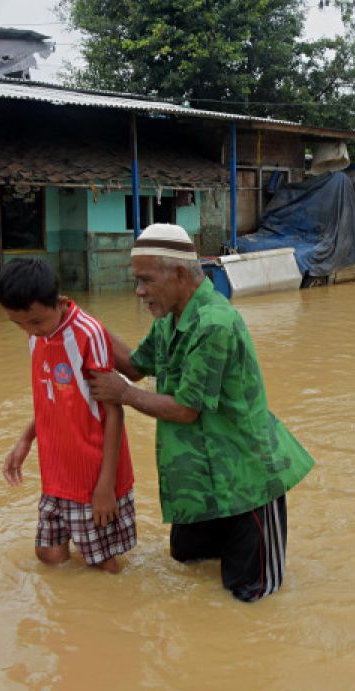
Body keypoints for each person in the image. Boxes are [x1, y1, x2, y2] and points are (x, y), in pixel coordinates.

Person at [88, 224, 313, 602]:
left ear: (178, 275)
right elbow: (135, 365)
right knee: (186, 562)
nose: (139, 291)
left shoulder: (215, 324)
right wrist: (85, 325)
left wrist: (124, 395)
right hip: (201, 480)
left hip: (246, 482)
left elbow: (186, 409)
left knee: (252, 598)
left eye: (145, 280)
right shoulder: (169, 320)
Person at [0, 257, 136, 574]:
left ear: (58, 302)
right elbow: (53, 399)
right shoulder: (35, 334)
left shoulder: (89, 333)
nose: (30, 331)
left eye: (35, 322)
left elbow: (114, 412)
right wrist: (25, 440)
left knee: (101, 564)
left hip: (91, 476)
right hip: (56, 473)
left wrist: (106, 486)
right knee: (49, 556)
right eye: (18, 324)